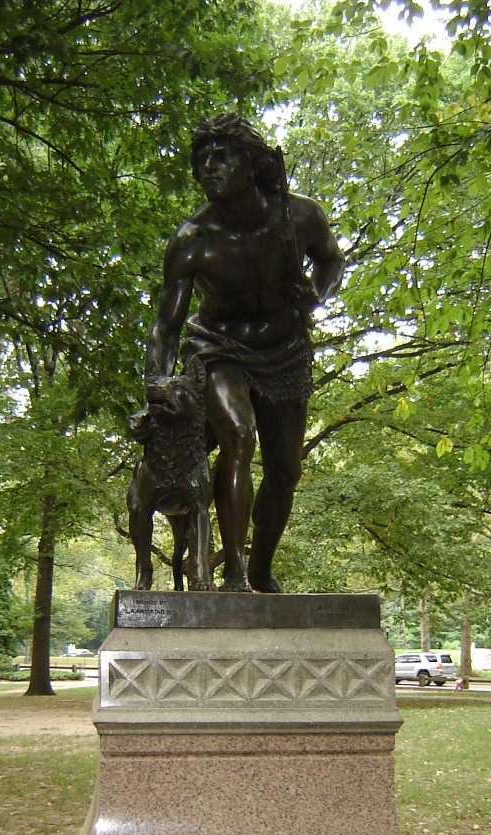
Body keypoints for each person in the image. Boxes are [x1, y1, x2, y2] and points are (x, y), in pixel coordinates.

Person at [143, 113, 345, 592]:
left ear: (251, 164)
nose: (207, 167)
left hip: (286, 349)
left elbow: (332, 260)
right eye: (201, 159)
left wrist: (317, 293)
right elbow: (166, 327)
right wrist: (158, 383)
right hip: (218, 347)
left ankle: (259, 567)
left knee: (285, 471)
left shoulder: (301, 216)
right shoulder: (193, 240)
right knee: (237, 433)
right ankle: (232, 573)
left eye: (221, 157)